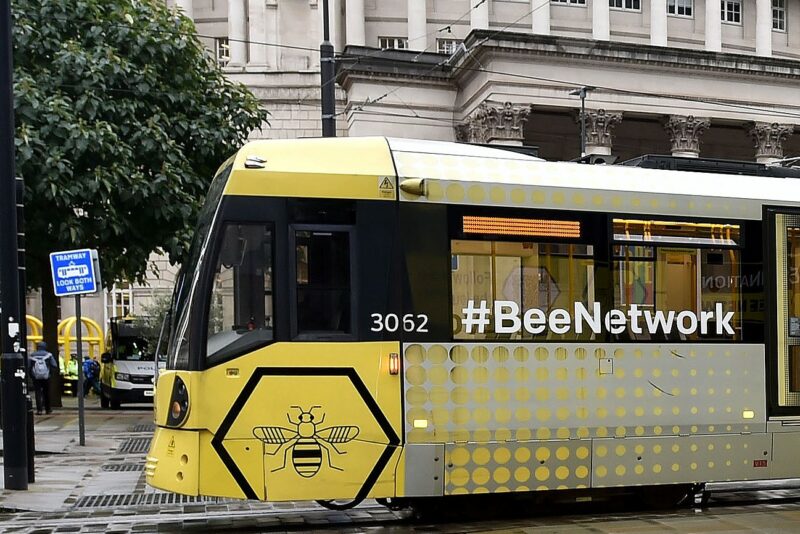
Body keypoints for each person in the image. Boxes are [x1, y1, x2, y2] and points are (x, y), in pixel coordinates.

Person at [29, 341, 58, 415]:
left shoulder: (32, 355)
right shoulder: (48, 355)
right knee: (46, 392)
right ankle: (48, 409)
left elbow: (28, 366)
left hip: (36, 377)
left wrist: (31, 374)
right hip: (46, 377)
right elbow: (54, 365)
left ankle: (39, 410)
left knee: (38, 392)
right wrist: (50, 372)